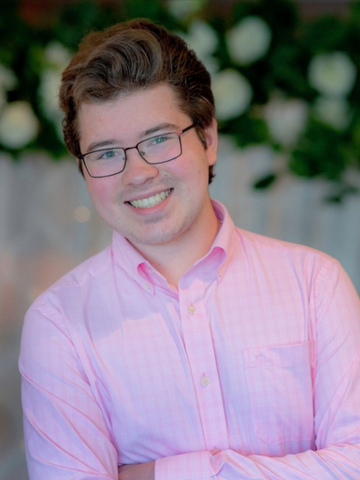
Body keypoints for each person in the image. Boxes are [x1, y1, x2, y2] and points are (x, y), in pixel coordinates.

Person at [19, 18, 360, 480]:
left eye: (158, 139)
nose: (137, 174)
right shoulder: (58, 323)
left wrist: (158, 473)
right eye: (105, 153)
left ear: (209, 140)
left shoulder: (315, 283)